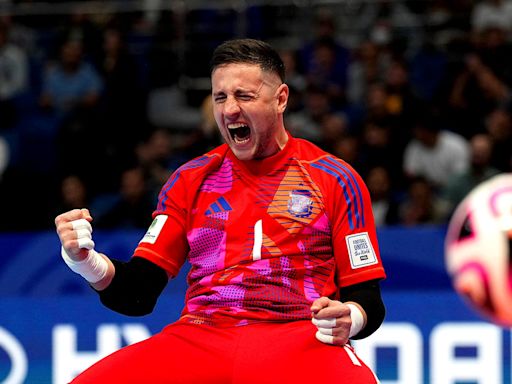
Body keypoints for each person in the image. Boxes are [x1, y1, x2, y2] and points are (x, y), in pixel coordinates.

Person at [55, 38, 386, 383]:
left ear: (281, 99)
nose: (229, 110)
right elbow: (138, 294)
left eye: (244, 96)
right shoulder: (190, 180)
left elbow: (367, 298)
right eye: (220, 97)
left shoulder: (335, 179)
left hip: (299, 334)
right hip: (200, 337)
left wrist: (352, 316)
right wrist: (85, 262)